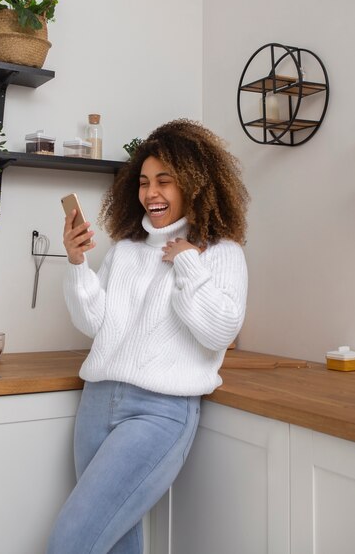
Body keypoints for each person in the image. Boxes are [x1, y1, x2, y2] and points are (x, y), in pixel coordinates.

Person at [47, 118, 249, 554]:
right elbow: (94, 324)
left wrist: (188, 264)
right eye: (143, 182)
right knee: (117, 542)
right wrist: (78, 263)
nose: (150, 193)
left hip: (159, 412)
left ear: (194, 184)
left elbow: (219, 332)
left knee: (70, 542)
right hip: (97, 402)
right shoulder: (125, 251)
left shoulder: (222, 254)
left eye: (164, 181)